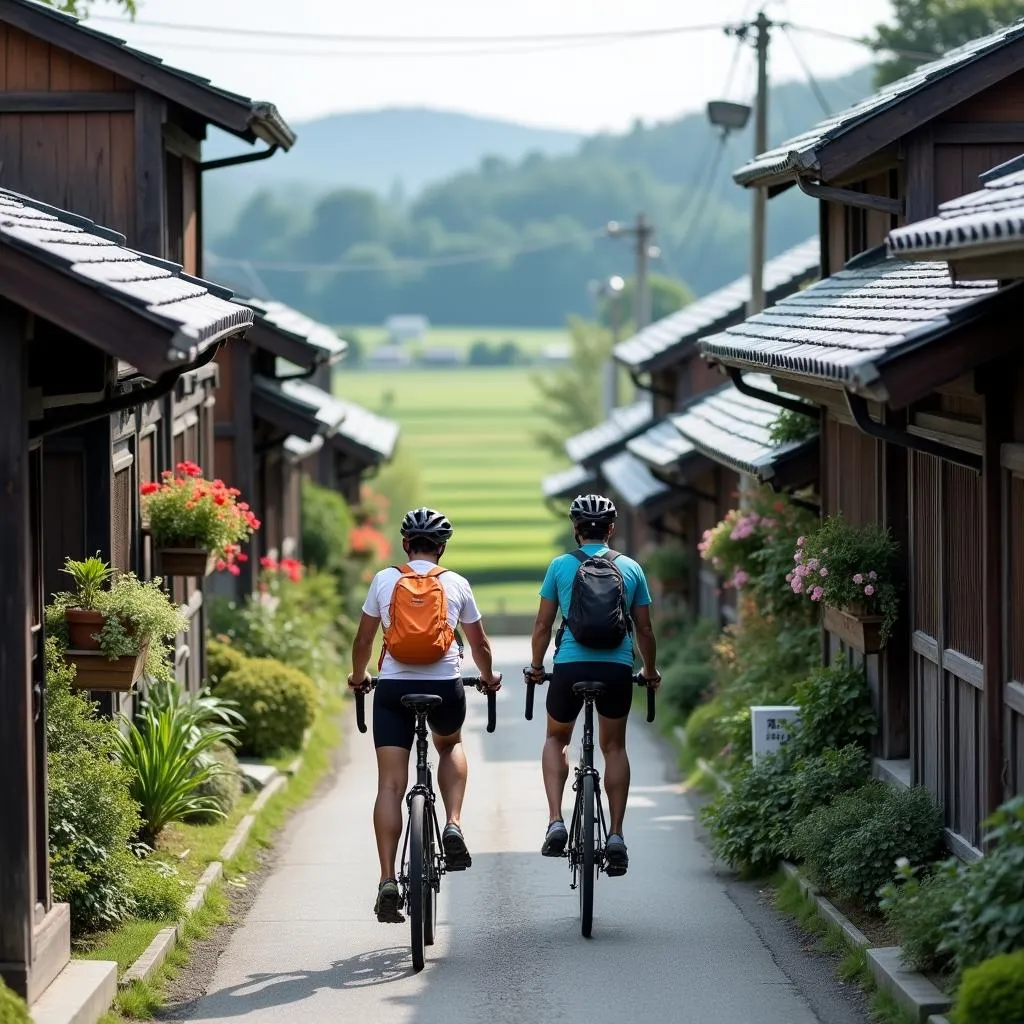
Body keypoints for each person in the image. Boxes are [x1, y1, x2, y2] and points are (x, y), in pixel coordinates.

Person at [348, 506, 502, 924]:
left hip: (394, 688)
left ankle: (386, 880)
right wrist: (488, 678)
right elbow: (481, 644)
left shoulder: (384, 579)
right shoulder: (456, 583)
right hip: (444, 686)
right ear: (442, 548)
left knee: (391, 783)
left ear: (405, 545)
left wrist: (360, 676)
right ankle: (452, 823)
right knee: (449, 743)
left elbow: (364, 639)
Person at [525, 493, 660, 876]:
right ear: (611, 530)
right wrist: (649, 670)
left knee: (556, 739)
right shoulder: (631, 568)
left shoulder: (560, 566)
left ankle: (555, 820)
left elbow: (541, 626)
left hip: (569, 667)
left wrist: (537, 667)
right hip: (616, 669)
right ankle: (615, 835)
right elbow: (645, 629)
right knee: (614, 746)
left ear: (575, 529)